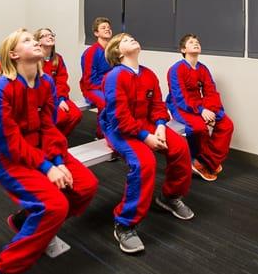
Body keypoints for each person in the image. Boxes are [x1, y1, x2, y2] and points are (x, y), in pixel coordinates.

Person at [0, 29, 98, 274]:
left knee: (87, 186)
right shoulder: (0, 89)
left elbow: (49, 126)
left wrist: (57, 160)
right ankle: (3, 270)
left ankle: (27, 221)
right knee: (55, 206)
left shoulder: (46, 83)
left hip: (43, 150)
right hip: (8, 158)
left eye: (34, 40)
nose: (35, 42)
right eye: (27, 41)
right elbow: (8, 142)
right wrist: (48, 167)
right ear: (13, 54)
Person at [99, 33, 193, 254]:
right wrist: (145, 137)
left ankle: (169, 197)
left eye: (133, 37)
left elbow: (158, 105)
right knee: (144, 162)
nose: (132, 38)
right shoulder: (114, 76)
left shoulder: (148, 74)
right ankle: (125, 223)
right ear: (118, 52)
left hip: (148, 125)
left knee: (180, 147)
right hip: (120, 129)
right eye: (125, 39)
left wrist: (161, 125)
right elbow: (119, 118)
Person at [166, 34, 234, 181]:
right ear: (183, 49)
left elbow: (211, 91)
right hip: (181, 106)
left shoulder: (203, 69)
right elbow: (180, 97)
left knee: (227, 125)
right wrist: (201, 111)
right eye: (191, 42)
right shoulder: (176, 69)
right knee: (199, 128)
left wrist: (212, 110)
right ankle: (201, 161)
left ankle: (204, 162)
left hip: (201, 104)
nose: (196, 44)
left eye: (197, 42)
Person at [34, 28, 82, 136]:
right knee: (60, 117)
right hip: (44, 100)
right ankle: (48, 140)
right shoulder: (35, 59)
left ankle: (59, 138)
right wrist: (54, 101)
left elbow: (62, 81)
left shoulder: (58, 59)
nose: (50, 36)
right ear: (38, 41)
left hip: (59, 96)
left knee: (76, 114)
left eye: (51, 35)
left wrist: (60, 99)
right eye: (45, 35)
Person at [80, 17, 113, 138]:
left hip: (108, 87)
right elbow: (89, 80)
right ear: (96, 33)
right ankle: (102, 134)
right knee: (106, 102)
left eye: (109, 28)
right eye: (103, 28)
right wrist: (107, 87)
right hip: (92, 88)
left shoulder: (113, 51)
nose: (107, 29)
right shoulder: (91, 52)